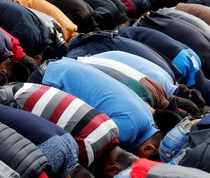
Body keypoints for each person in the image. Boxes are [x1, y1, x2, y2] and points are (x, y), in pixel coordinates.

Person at [27, 57, 164, 160]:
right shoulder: (127, 130)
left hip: (60, 67)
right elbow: (87, 149)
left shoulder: (147, 116)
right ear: (149, 148)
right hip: (49, 80)